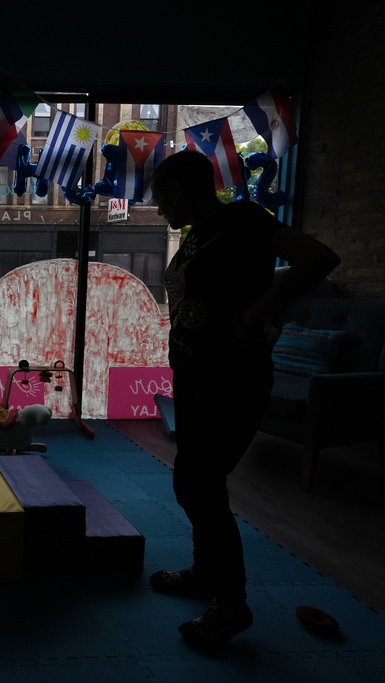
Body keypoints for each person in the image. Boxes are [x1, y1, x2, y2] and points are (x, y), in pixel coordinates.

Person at [149, 150, 340, 646]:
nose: (159, 211)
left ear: (176, 192)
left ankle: (232, 605)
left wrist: (261, 313)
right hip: (195, 376)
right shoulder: (197, 233)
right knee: (193, 481)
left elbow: (318, 258)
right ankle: (206, 572)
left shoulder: (246, 219)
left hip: (232, 378)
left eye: (159, 200)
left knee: (201, 484)